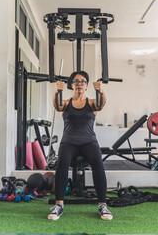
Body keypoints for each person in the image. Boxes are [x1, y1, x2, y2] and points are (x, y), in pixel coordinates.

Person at [48, 71, 113, 221]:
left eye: (83, 81)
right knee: (62, 163)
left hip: (89, 141)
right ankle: (59, 205)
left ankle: (102, 205)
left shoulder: (92, 102)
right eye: (76, 81)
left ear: (87, 85)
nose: (79, 84)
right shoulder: (65, 103)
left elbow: (100, 104)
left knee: (98, 163)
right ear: (71, 85)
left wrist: (101, 91)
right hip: (69, 141)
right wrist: (57, 90)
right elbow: (57, 106)